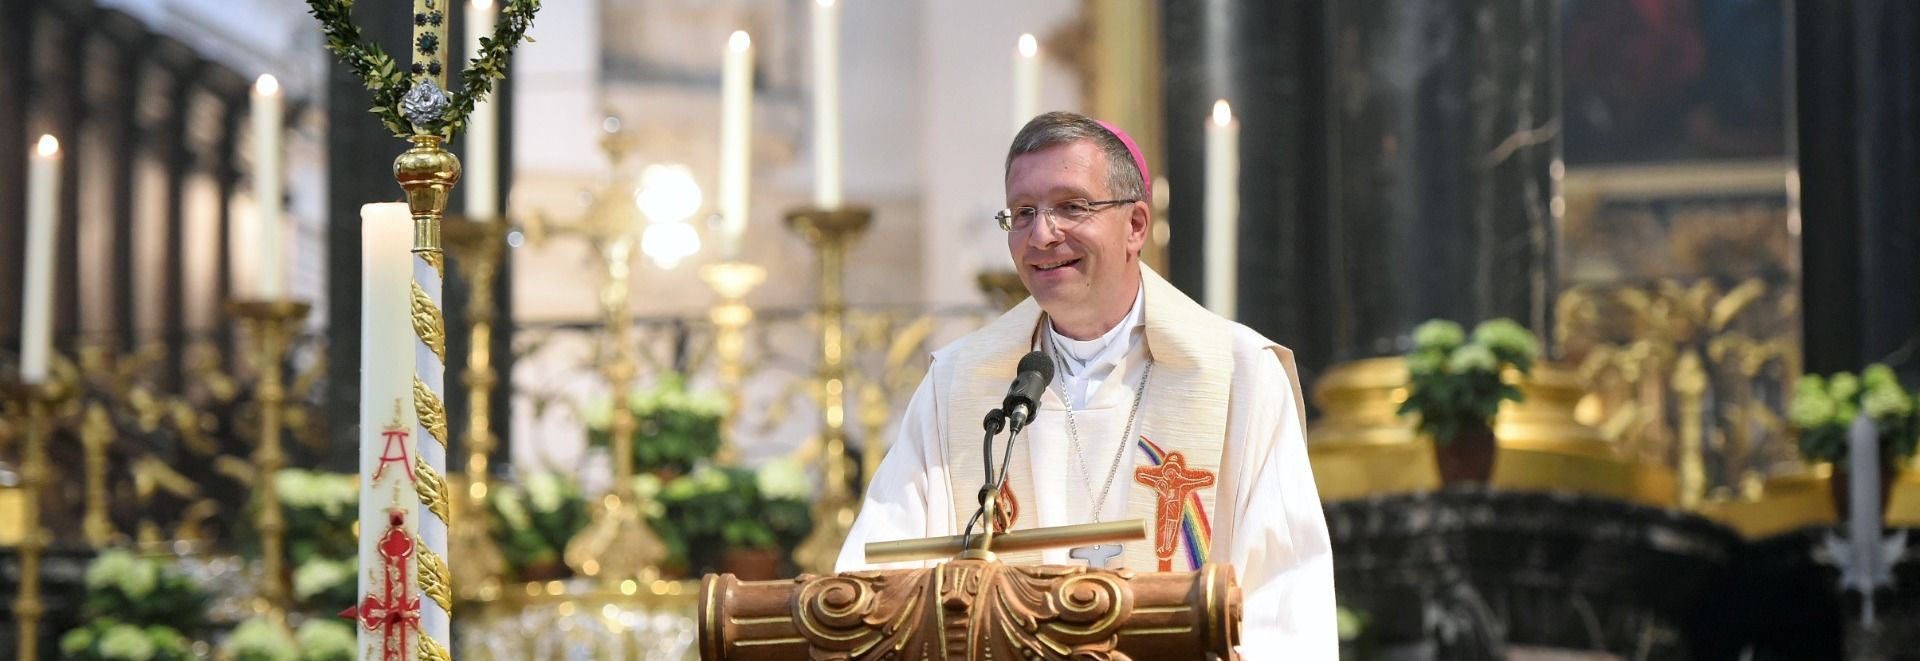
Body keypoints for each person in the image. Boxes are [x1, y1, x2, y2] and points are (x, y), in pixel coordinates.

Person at [836, 111, 1336, 657]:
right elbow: (879, 576)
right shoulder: (958, 384)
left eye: (1072, 207)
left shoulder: (1239, 374)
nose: (1042, 234)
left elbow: (1287, 597)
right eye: (1023, 213)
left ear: (1136, 225)